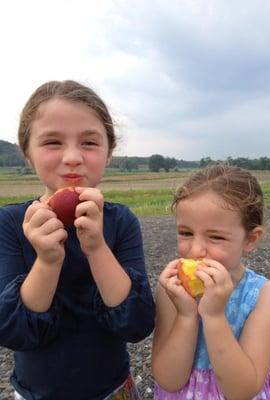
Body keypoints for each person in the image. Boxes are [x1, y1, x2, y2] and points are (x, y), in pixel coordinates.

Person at [0, 80, 155, 400]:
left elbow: (137, 325)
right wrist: (47, 260)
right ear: (27, 153)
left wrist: (97, 248)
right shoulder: (11, 223)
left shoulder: (121, 222)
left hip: (113, 391)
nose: (72, 156)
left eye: (89, 142)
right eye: (53, 142)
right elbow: (13, 331)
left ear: (109, 152)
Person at [152, 164, 270, 399]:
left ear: (250, 239)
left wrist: (214, 316)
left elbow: (242, 391)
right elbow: (168, 379)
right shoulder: (172, 290)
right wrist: (186, 315)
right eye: (186, 233)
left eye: (215, 237)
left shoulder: (265, 296)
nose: (195, 250)